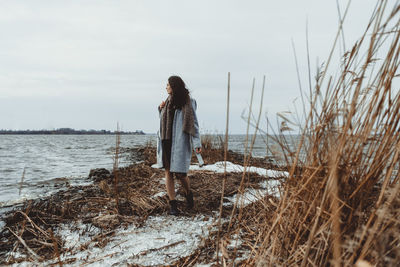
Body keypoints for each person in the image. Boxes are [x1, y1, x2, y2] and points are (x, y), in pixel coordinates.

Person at [157, 75, 202, 215]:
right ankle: (173, 205)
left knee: (181, 174)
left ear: (174, 86)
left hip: (179, 142)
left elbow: (193, 124)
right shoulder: (167, 102)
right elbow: (164, 122)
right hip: (165, 140)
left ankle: (188, 194)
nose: (166, 87)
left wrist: (197, 143)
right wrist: (160, 109)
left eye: (168, 85)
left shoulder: (188, 102)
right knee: (168, 172)